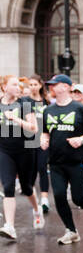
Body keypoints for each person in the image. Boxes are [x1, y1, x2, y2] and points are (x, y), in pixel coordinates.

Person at [41, 73, 83, 244]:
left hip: (77, 161)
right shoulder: (48, 110)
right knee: (60, 196)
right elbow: (45, 131)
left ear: (66, 86)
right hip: (56, 162)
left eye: (55, 84)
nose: (52, 87)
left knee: (78, 198)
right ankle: (71, 231)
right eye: (51, 85)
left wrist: (82, 139)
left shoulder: (80, 109)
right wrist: (44, 139)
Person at [0, 76, 41, 240]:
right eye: (14, 85)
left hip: (25, 150)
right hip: (4, 150)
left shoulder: (26, 103)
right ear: (4, 87)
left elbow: (34, 128)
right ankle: (10, 226)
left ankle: (37, 210)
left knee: (26, 187)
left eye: (19, 84)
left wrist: (15, 118)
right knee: (8, 186)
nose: (18, 87)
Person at [28, 76, 51, 216]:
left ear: (40, 85)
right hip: (29, 140)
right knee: (31, 170)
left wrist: (47, 137)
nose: (32, 87)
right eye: (30, 84)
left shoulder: (46, 102)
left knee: (42, 167)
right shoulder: (25, 101)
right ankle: (34, 201)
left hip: (43, 138)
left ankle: (44, 200)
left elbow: (49, 121)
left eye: (35, 84)